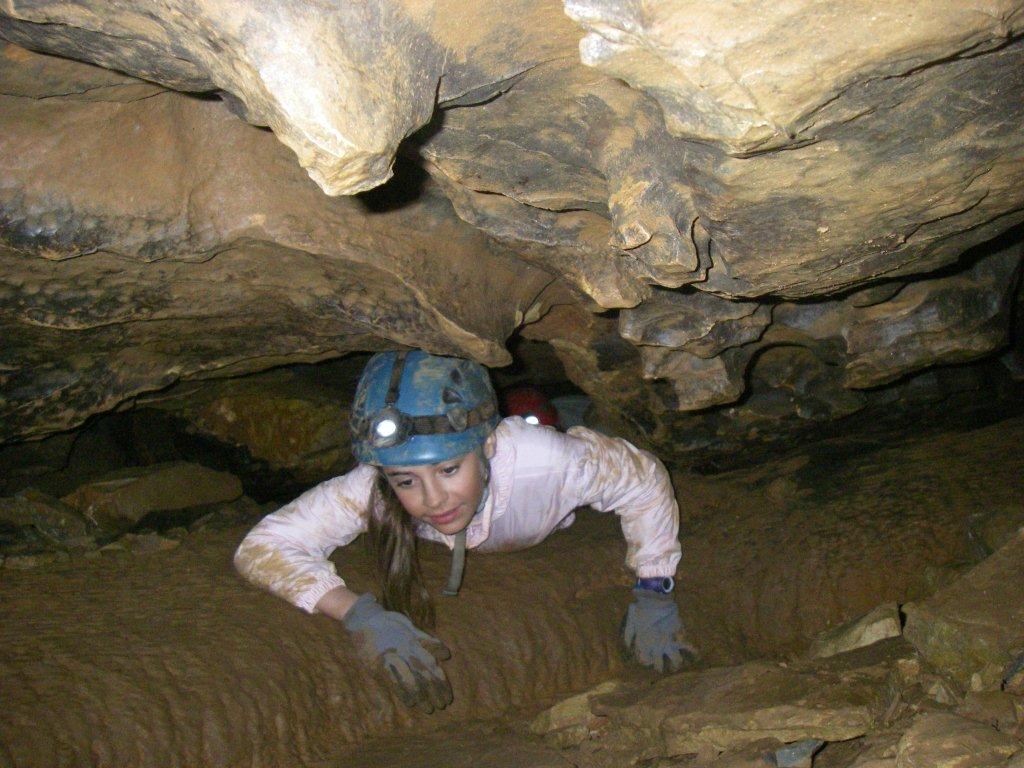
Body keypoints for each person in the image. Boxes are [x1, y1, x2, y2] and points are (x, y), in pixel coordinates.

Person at [234, 350, 693, 713]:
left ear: (487, 445)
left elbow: (643, 480)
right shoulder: (372, 486)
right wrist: (357, 613)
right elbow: (264, 546)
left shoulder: (551, 461)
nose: (433, 500)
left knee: (573, 423)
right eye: (406, 480)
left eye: (449, 469)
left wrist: (654, 586)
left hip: (548, 509)